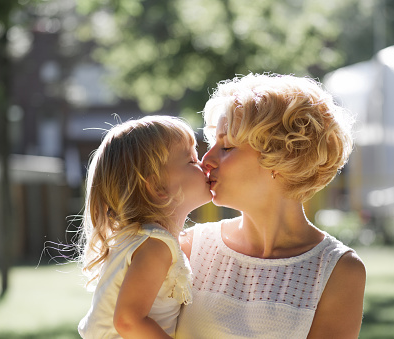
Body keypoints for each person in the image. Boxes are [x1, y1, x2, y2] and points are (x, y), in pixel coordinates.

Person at [175, 73, 366, 338]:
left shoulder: (338, 271)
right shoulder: (187, 248)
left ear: (281, 156)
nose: (206, 159)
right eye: (212, 144)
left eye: (227, 146)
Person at [77, 115, 212, 338]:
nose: (203, 164)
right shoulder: (156, 246)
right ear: (158, 187)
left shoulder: (137, 239)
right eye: (191, 161)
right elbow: (128, 321)